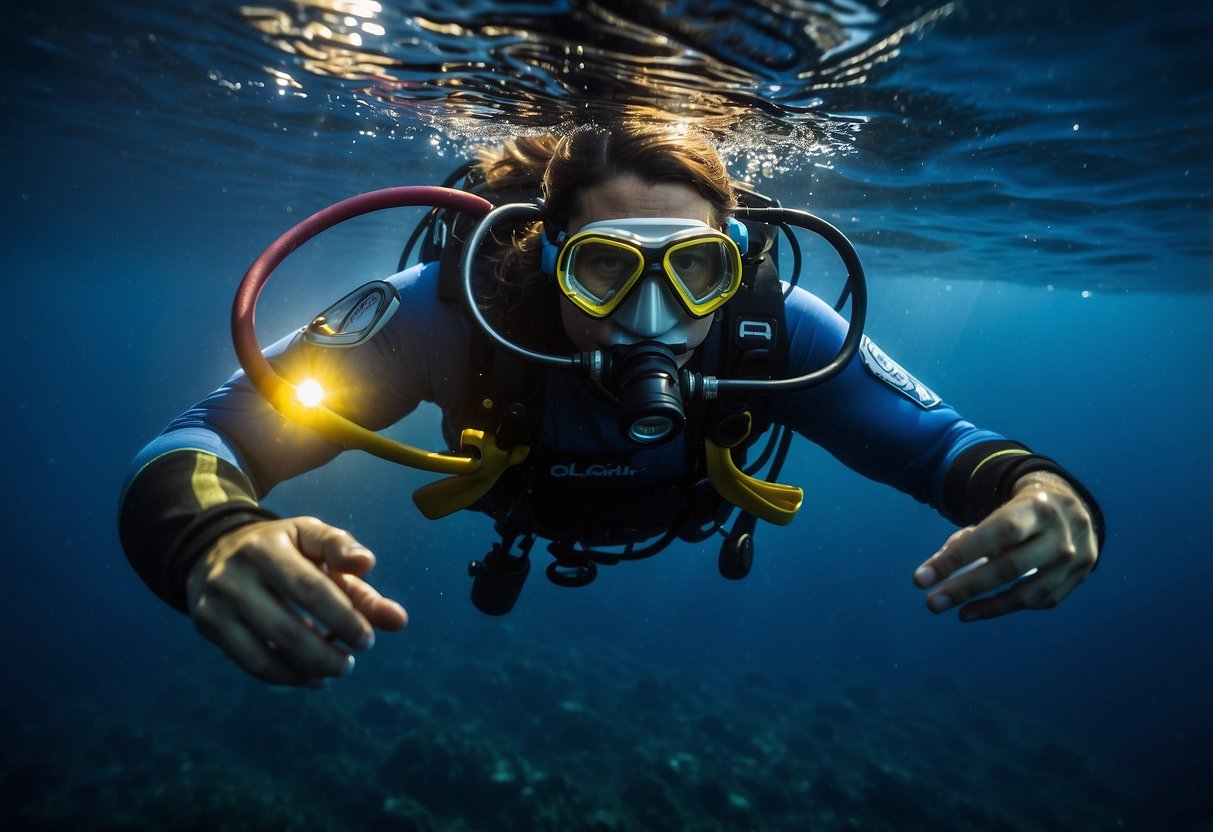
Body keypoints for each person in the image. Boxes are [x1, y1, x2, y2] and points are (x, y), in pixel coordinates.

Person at [119, 124, 1103, 688]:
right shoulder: (451, 312)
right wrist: (210, 536)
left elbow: (947, 448)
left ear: (737, 264)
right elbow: (202, 435)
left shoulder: (775, 327)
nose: (650, 315)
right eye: (602, 268)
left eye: (695, 273)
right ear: (545, 258)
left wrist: (1042, 489)